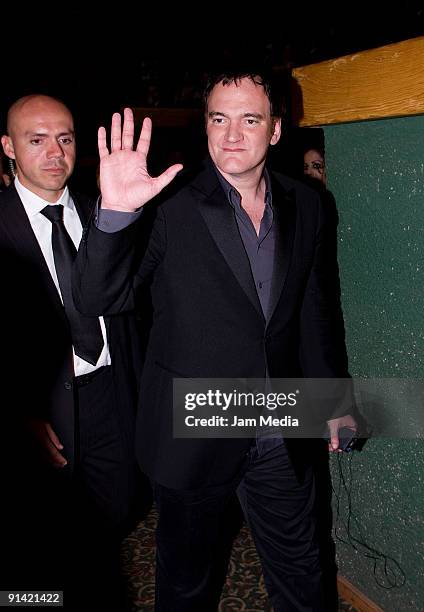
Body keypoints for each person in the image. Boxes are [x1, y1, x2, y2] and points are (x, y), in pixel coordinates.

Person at [74, 71, 357, 611]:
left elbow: (317, 310)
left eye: (249, 119)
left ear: (275, 131)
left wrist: (333, 398)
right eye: (218, 118)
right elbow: (97, 299)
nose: (231, 134)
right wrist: (114, 216)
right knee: (187, 584)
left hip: (280, 426)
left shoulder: (309, 204)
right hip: (194, 430)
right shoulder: (167, 203)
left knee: (303, 574)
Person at [0, 94, 150, 610]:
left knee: (114, 514)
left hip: (111, 392)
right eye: (36, 140)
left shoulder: (105, 209)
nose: (55, 152)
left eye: (64, 138)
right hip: (37, 413)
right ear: (8, 147)